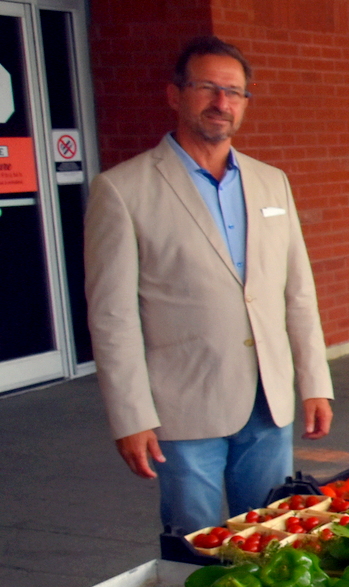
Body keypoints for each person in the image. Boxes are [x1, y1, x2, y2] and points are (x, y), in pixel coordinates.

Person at [85, 35, 334, 537]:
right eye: (207, 88)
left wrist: (314, 383)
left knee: (273, 537)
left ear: (245, 103)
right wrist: (130, 415)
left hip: (269, 402)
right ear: (175, 95)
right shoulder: (123, 189)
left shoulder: (271, 183)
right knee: (195, 548)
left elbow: (297, 293)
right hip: (183, 407)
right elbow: (112, 316)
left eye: (234, 92)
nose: (222, 103)